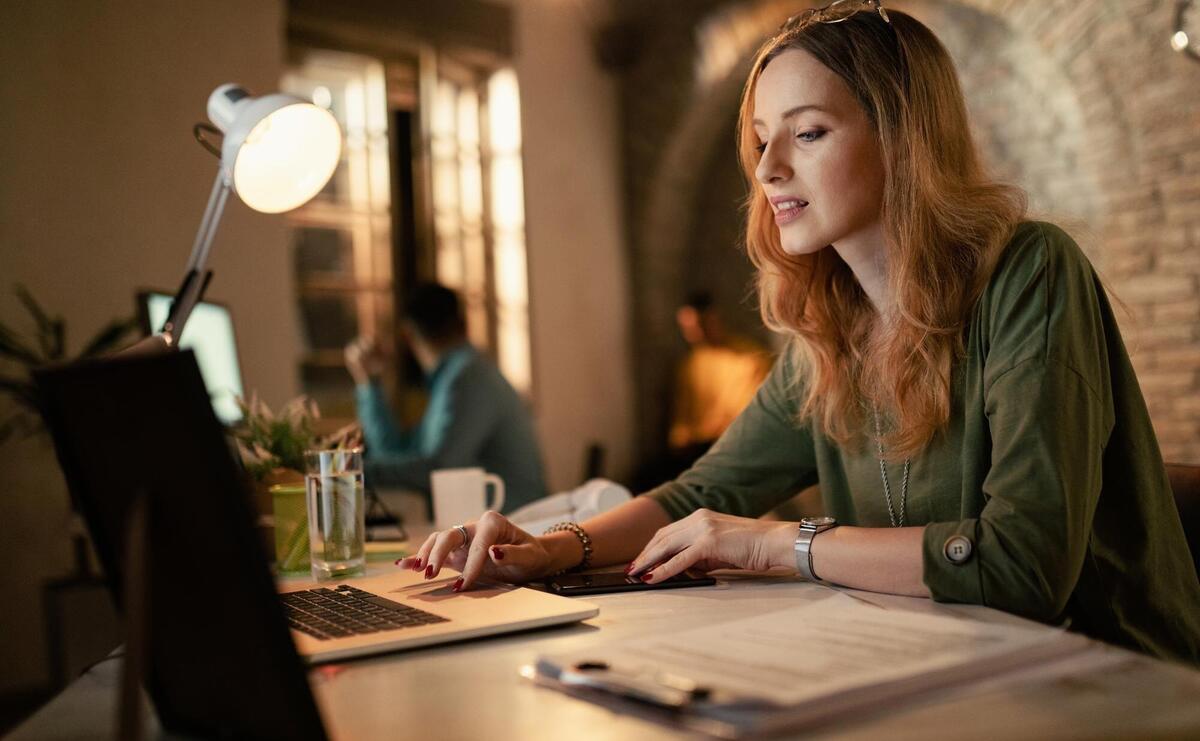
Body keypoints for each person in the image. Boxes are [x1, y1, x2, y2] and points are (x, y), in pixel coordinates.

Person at [397, 2, 1200, 665]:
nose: (768, 167)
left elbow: (1023, 565)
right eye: (760, 139)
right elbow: (700, 496)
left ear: (902, 138)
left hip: (1112, 679)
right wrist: (548, 546)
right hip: (939, 665)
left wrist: (775, 545)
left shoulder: (1031, 273)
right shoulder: (831, 325)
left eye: (807, 133)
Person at [345, 282, 547, 514]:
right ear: (464, 324)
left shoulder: (467, 378)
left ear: (408, 336)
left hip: (519, 524)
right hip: (496, 521)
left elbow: (441, 468)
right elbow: (399, 451)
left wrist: (349, 469)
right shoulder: (455, 378)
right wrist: (370, 384)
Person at [668, 291, 771, 461]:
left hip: (734, 444)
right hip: (698, 448)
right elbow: (682, 418)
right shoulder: (690, 364)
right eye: (688, 328)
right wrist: (679, 441)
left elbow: (748, 415)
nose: (696, 334)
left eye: (701, 324)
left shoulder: (750, 359)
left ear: (715, 319)